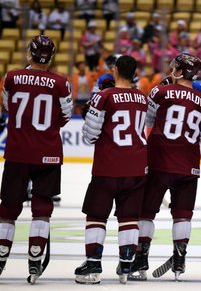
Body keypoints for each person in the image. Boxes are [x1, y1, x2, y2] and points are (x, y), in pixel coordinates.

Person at [129, 54, 201, 281]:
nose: (171, 69)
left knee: (146, 213)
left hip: (159, 161)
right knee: (183, 216)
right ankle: (179, 260)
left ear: (182, 71)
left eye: (175, 67)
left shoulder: (160, 91)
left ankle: (140, 260)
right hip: (188, 164)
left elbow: (147, 119)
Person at [0, 35, 72, 282]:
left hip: (18, 152)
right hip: (48, 152)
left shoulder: (11, 77)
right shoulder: (60, 82)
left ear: (30, 54)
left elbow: (8, 106)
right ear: (51, 56)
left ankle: (0, 258)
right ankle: (34, 260)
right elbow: (65, 115)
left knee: (8, 209)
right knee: (42, 209)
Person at [74, 56, 148, 285]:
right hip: (136, 166)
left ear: (114, 70)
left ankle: (93, 264)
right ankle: (126, 265)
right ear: (134, 73)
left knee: (96, 215)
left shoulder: (104, 96)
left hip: (108, 166)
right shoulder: (143, 98)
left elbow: (89, 136)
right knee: (129, 217)